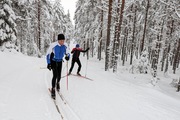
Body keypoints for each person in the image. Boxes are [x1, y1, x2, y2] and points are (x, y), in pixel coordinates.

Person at [46, 34, 70, 99]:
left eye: (63, 40)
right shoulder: (53, 45)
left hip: (60, 62)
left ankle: (58, 83)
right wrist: (49, 63)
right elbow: (48, 54)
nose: (62, 42)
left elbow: (68, 52)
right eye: (61, 41)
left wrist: (68, 56)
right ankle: (53, 89)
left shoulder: (65, 45)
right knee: (55, 75)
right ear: (58, 40)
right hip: (54, 61)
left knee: (59, 76)